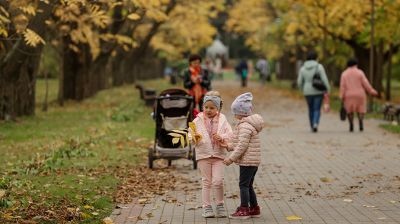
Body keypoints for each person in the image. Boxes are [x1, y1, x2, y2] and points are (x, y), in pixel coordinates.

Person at [189, 91, 233, 218]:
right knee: (206, 181)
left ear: (217, 108)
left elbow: (230, 134)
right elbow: (190, 134)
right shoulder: (197, 120)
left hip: (218, 155)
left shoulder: (223, 120)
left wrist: (222, 137)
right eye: (206, 107)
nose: (208, 110)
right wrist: (195, 138)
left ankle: (220, 204)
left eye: (212, 108)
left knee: (218, 181)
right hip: (204, 155)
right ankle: (206, 207)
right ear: (203, 106)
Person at [223, 92, 264, 220]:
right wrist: (228, 146)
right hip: (253, 161)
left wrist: (231, 158)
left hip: (248, 161)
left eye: (235, 112)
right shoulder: (247, 125)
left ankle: (244, 209)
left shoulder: (245, 126)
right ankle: (254, 208)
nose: (234, 114)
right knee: (248, 185)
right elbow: (238, 143)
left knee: (243, 185)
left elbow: (242, 146)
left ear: (241, 112)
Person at [339, 58, 378, 132]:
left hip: (348, 95)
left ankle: (351, 124)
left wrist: (341, 95)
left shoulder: (344, 74)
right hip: (360, 94)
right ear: (356, 64)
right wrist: (371, 91)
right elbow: (365, 83)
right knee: (361, 109)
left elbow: (342, 86)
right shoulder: (360, 73)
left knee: (349, 110)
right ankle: (360, 122)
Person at [297, 51, 330, 132]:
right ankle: (315, 123)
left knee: (310, 108)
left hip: (307, 91)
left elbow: (299, 81)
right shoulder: (319, 67)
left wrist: (302, 89)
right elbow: (324, 79)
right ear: (316, 58)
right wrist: (328, 89)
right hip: (318, 91)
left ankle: (312, 125)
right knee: (317, 108)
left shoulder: (303, 68)